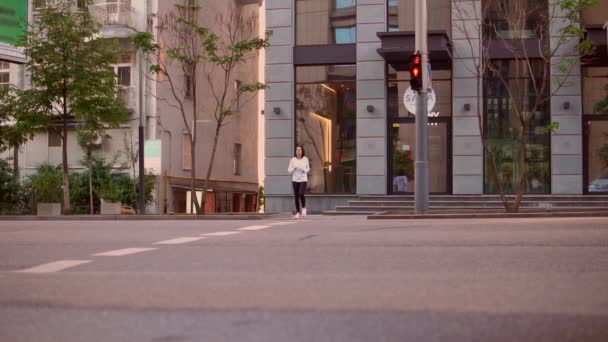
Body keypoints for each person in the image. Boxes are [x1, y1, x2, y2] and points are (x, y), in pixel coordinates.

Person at [287, 145, 310, 218]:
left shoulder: (305, 159)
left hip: (303, 179)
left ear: (302, 151)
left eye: (299, 150)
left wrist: (304, 170)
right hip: (295, 180)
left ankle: (303, 207)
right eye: (297, 150)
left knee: (301, 193)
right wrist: (294, 168)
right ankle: (297, 212)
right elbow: (289, 170)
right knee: (296, 196)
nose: (298, 151)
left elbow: (308, 169)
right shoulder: (293, 160)